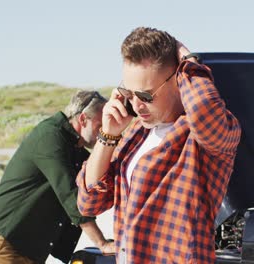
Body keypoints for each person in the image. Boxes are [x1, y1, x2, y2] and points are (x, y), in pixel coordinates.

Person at [76, 27, 241, 263]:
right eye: (128, 93)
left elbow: (205, 113)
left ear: (177, 81)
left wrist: (188, 60)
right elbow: (89, 201)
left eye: (145, 96)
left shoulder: (201, 138)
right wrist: (108, 135)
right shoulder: (135, 134)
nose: (136, 104)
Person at [0, 90, 115, 264]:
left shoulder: (75, 148)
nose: (103, 132)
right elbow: (69, 194)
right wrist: (101, 243)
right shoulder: (50, 137)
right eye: (100, 125)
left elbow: (102, 177)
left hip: (27, 247)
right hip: (5, 240)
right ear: (83, 119)